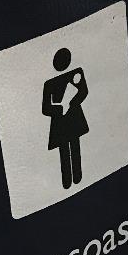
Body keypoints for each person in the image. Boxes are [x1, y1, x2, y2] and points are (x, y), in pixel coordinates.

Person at [42, 47, 90, 191]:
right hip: (60, 121)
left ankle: (78, 177)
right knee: (64, 151)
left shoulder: (76, 73)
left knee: (75, 147)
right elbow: (45, 108)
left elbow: (83, 91)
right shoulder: (49, 84)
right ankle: (67, 181)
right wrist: (60, 108)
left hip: (73, 117)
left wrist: (71, 103)